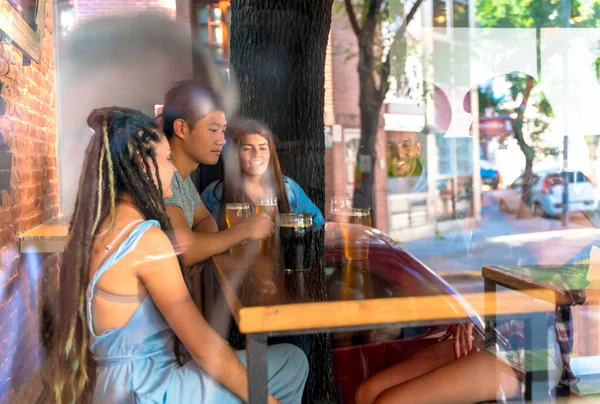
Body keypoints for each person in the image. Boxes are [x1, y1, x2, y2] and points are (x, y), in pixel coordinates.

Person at [52, 107, 308, 404]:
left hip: (116, 384)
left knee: (288, 360)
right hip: (146, 390)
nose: (173, 170)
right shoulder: (146, 240)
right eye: (166, 159)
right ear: (141, 164)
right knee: (290, 366)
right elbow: (202, 346)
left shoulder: (106, 225)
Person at [162, 81, 274, 268]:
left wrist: (202, 247)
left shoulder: (182, 178)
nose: (222, 140)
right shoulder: (165, 178)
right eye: (213, 130)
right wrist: (245, 230)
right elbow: (186, 252)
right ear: (181, 129)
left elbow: (206, 220)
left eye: (223, 131)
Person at [354, 316, 565, 404]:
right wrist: (466, 315)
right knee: (366, 394)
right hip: (488, 331)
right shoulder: (495, 222)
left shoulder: (554, 228)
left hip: (529, 349)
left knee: (390, 402)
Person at [201, 119, 324, 227]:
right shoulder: (215, 193)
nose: (256, 154)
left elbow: (318, 224)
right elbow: (201, 238)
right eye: (247, 148)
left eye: (263, 148)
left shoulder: (289, 188)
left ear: (271, 153)